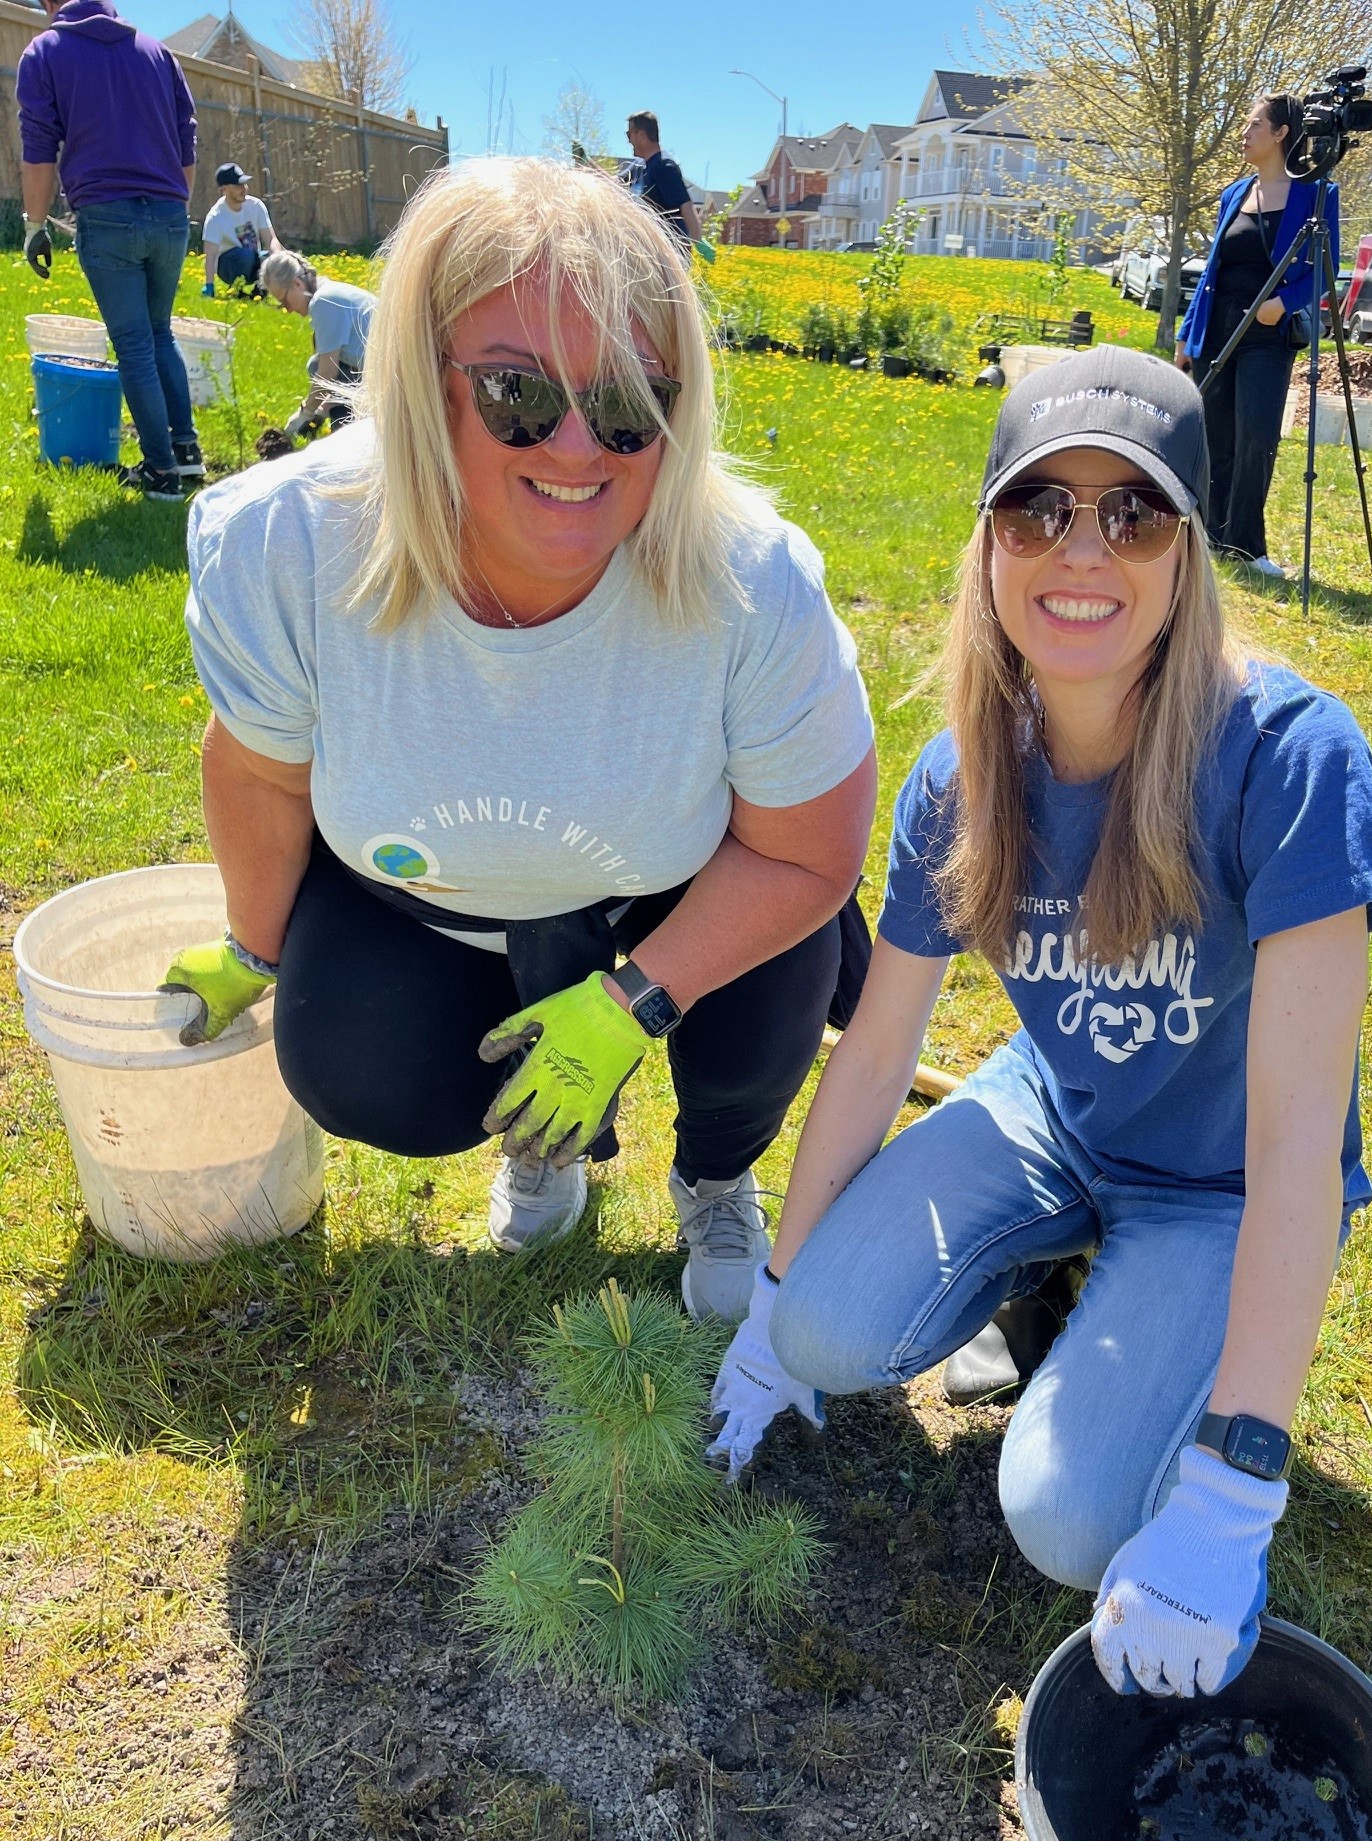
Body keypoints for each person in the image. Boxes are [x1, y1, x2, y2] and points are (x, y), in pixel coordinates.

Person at [707, 346, 1372, 1702]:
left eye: (1131, 513)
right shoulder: (962, 772)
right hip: (1057, 1104)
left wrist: (1236, 1484)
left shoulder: (1290, 758)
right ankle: (1041, 1267)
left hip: (1220, 1179)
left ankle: (1156, 1346)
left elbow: (1296, 1152)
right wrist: (781, 1298)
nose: (1080, 547)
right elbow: (870, 1058)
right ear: (987, 543)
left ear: (1189, 553)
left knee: (1069, 1521)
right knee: (829, 1334)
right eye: (1037, 508)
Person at [160, 155, 876, 1323]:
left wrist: (636, 999)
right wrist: (252, 946)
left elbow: (808, 855)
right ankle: (542, 1141)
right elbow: (257, 770)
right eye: (518, 395)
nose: (579, 449)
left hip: (675, 896)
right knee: (355, 1064)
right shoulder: (284, 548)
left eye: (634, 404)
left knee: (765, 1000)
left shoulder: (754, 581)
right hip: (432, 910)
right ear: (418, 380)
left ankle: (715, 1174)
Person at [16, 0, 204, 500]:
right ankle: (186, 453)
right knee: (159, 333)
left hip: (107, 216)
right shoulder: (158, 53)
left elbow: (38, 149)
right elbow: (187, 144)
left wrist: (35, 226)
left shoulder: (45, 51)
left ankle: (161, 473)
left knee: (134, 345)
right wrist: (172, 204)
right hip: (170, 214)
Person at [1176, 93, 1339, 580]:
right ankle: (1210, 536)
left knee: (1257, 435)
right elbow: (1211, 271)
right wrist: (1188, 333)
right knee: (1216, 436)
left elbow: (1326, 272)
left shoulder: (1316, 194)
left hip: (1267, 333)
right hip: (1219, 327)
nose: (1245, 133)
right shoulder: (1234, 193)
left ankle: (1246, 545)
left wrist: (1283, 304)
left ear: (1282, 133)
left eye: (1254, 124)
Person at [261, 249, 376, 437]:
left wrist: (305, 413)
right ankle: (345, 425)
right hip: (383, 369)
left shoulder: (324, 302)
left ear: (297, 284)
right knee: (315, 364)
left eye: (284, 302)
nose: (287, 310)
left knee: (316, 367)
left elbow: (328, 373)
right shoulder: (328, 292)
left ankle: (346, 433)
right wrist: (321, 410)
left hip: (397, 376)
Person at [621, 110, 702, 244]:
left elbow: (685, 205)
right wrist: (586, 161)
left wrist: (698, 241)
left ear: (641, 135)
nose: (628, 140)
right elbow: (612, 184)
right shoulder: (639, 167)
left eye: (629, 134)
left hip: (669, 251)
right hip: (650, 249)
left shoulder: (663, 166)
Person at [200, 161, 280, 296]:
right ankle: (238, 290)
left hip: (252, 258)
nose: (244, 189)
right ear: (224, 190)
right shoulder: (216, 217)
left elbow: (271, 239)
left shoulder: (256, 206)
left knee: (271, 258)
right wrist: (209, 285)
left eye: (244, 184)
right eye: (238, 185)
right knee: (245, 256)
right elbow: (211, 255)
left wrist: (279, 257)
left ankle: (260, 291)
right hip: (228, 265)